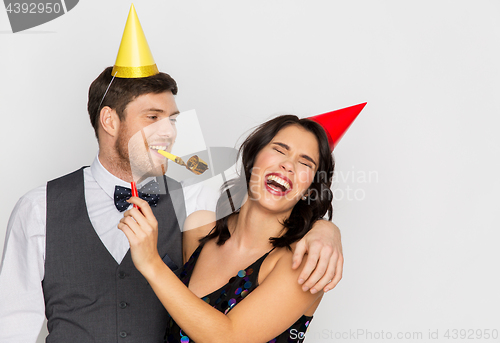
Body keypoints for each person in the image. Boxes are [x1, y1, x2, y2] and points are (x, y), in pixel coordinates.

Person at [0, 5, 343, 343]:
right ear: (109, 121)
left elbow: (271, 216)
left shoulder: (194, 202)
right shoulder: (38, 210)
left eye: (173, 120)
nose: (169, 133)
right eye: (153, 117)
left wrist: (326, 230)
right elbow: (12, 327)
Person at [118, 115, 340, 343]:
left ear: (309, 188)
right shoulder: (199, 229)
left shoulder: (303, 263)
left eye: (305, 163)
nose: (288, 165)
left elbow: (229, 337)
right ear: (253, 157)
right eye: (280, 150)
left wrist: (152, 264)